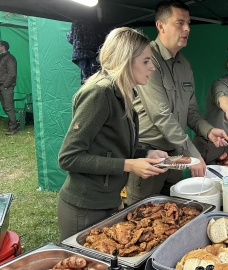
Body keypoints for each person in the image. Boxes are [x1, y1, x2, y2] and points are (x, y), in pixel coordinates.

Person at [57, 27, 168, 241]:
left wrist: (145, 153)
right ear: (126, 60)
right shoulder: (100, 93)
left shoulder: (123, 92)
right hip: (84, 208)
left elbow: (112, 146)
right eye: (146, 61)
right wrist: (129, 165)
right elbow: (69, 157)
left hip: (108, 203)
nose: (152, 67)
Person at [126, 0, 228, 204]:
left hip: (175, 157)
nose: (187, 29)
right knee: (142, 215)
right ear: (160, 25)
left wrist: (209, 130)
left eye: (188, 23)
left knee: (170, 211)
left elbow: (191, 112)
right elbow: (161, 115)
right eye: (179, 23)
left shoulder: (185, 64)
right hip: (149, 155)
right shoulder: (148, 60)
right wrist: (192, 154)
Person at [0, 40, 18, 135]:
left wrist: (5, 86)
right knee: (5, 107)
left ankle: (14, 128)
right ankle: (12, 125)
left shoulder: (10, 58)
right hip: (0, 86)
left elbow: (12, 74)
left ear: (3, 47)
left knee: (8, 107)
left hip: (6, 87)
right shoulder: (0, 58)